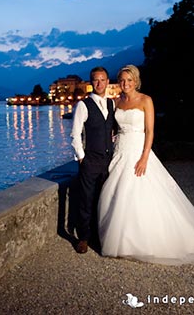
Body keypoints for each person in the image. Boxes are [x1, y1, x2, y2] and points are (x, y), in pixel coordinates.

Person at [97, 64, 194, 264]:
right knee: (117, 191)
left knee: (137, 189)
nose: (125, 84)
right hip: (121, 150)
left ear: (136, 81)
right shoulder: (117, 102)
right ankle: (121, 237)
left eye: (129, 80)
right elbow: (113, 127)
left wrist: (144, 157)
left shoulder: (146, 100)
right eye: (122, 80)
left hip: (138, 150)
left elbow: (150, 132)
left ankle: (142, 240)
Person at [70, 66, 115, 254]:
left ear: (107, 81)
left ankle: (100, 235)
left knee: (104, 199)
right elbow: (75, 134)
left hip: (108, 160)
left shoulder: (112, 104)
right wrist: (81, 158)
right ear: (91, 83)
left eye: (103, 79)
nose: (99, 83)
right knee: (86, 200)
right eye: (96, 80)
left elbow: (112, 130)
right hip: (90, 160)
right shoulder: (83, 105)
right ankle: (83, 238)